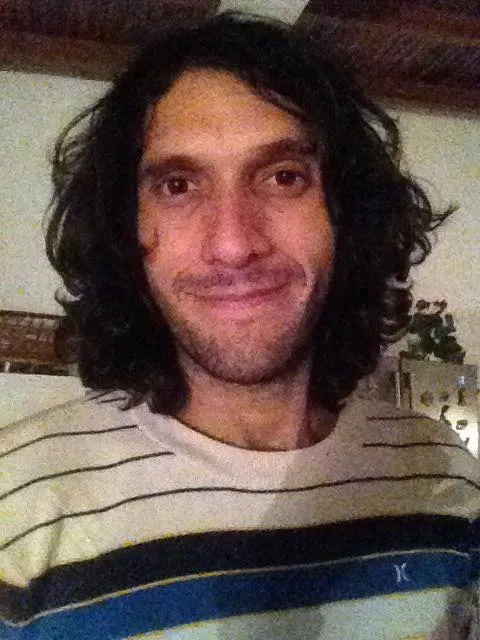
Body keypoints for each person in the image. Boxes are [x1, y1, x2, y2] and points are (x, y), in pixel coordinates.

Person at [1, 12, 479, 640]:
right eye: (178, 185)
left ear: (347, 216)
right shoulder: (16, 510)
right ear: (124, 228)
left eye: (283, 177)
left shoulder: (444, 479)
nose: (232, 244)